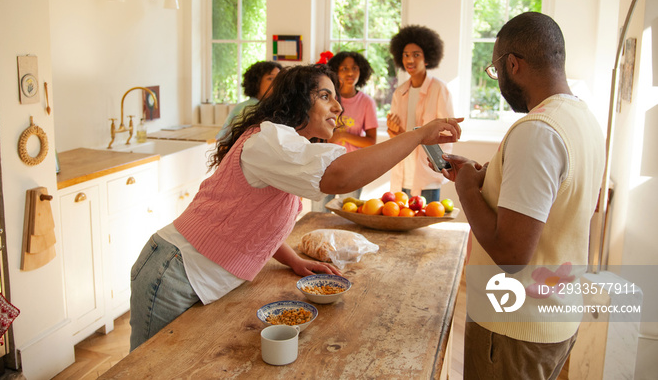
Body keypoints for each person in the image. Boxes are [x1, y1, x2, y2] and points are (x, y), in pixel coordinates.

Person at [129, 64, 462, 350]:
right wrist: (417, 136)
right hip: (173, 271)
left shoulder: (287, 146)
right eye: (325, 96)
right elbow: (341, 175)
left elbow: (255, 218)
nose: (338, 108)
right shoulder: (267, 141)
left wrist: (295, 261)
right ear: (297, 100)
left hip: (191, 276)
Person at [440, 12, 605, 379]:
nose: (499, 82)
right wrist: (491, 181)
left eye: (496, 72)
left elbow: (511, 253)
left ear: (513, 64)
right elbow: (559, 201)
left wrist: (466, 190)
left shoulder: (537, 131)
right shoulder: (582, 118)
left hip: (513, 326)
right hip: (555, 313)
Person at [386, 24, 455, 203]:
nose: (410, 60)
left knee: (427, 229)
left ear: (427, 58)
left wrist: (439, 166)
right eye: (406, 55)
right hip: (402, 175)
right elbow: (397, 137)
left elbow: (446, 133)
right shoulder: (399, 92)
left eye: (416, 55)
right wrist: (394, 131)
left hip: (428, 176)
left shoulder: (440, 89)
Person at [311, 51, 378, 211]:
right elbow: (314, 132)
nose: (350, 73)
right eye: (344, 68)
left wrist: (343, 135)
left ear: (361, 71)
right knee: (319, 216)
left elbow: (370, 141)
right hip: (324, 167)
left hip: (353, 169)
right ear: (335, 72)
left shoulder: (366, 102)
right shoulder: (325, 98)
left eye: (354, 68)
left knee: (349, 217)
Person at [215, 61, 283, 141]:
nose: (277, 83)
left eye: (279, 79)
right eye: (270, 78)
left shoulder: (271, 106)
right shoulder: (250, 108)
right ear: (256, 82)